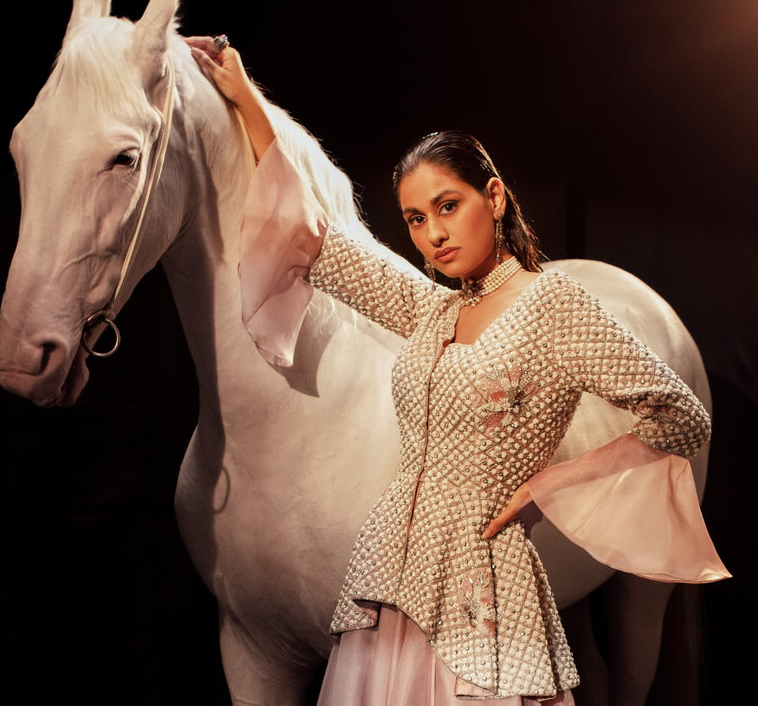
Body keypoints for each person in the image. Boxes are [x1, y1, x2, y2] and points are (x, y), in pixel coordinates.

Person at [185, 36, 730, 705]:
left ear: (494, 197)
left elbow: (682, 415)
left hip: (484, 595)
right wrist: (244, 98)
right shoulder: (430, 308)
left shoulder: (554, 304)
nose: (432, 234)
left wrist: (554, 485)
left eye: (448, 206)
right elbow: (310, 231)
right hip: (389, 587)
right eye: (415, 218)